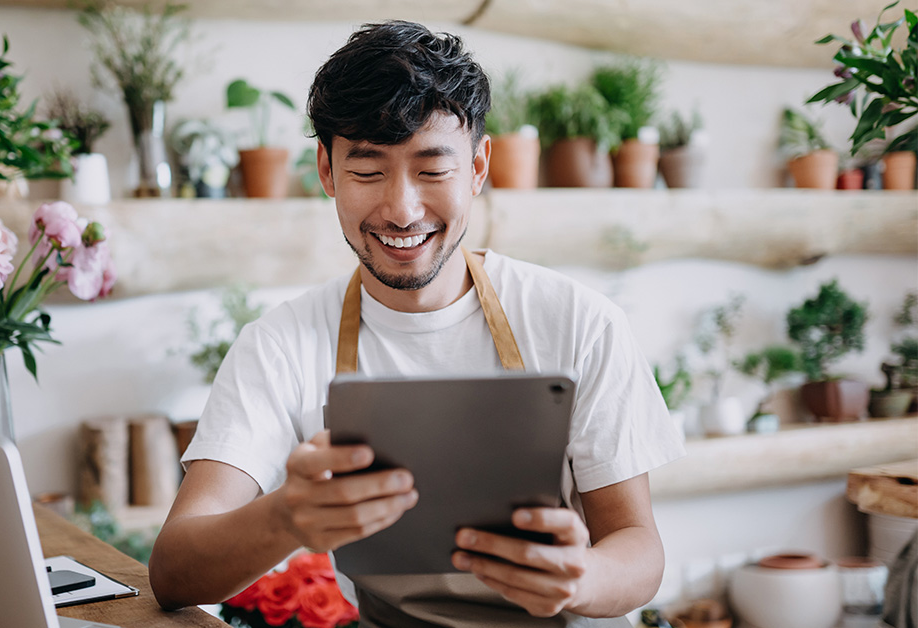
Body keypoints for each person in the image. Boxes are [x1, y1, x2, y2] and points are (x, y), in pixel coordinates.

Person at [148, 20, 685, 627]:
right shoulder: (279, 345)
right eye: (368, 171)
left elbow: (639, 547)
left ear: (479, 167)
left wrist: (581, 577)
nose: (402, 209)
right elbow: (171, 571)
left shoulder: (578, 322)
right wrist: (286, 518)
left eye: (432, 170)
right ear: (326, 170)